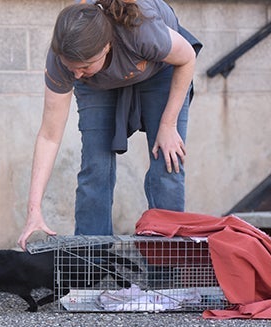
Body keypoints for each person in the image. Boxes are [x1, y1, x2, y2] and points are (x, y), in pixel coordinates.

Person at [17, 0, 201, 250]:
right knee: (95, 166)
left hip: (163, 70)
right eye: (73, 68)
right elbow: (49, 136)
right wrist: (34, 210)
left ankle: (164, 271)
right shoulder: (64, 63)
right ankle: (90, 269)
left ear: (107, 46)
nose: (77, 74)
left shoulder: (141, 28)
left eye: (83, 67)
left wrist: (168, 125)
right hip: (100, 85)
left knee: (167, 163)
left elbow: (187, 57)